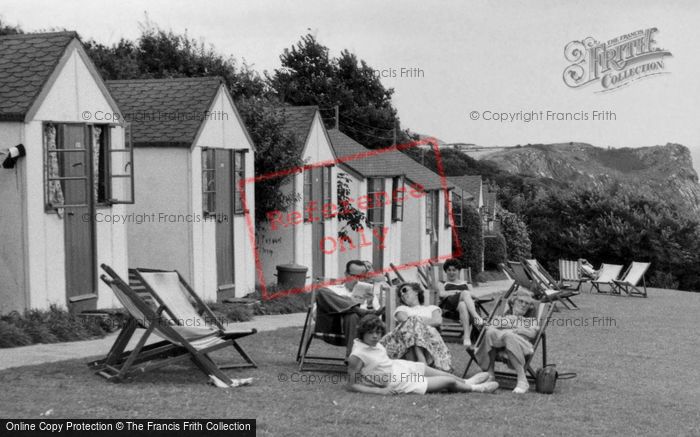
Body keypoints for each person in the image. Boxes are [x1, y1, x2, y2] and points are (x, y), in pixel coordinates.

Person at [347, 315, 499, 395]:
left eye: (378, 332)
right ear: (362, 333)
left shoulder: (374, 343)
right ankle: (476, 388)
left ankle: (467, 381)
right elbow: (352, 385)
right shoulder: (357, 355)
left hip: (400, 367)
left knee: (442, 373)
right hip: (398, 382)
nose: (375, 336)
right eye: (371, 333)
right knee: (448, 382)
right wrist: (380, 391)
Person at [316, 260, 387, 356]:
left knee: (352, 315)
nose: (357, 280)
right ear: (346, 274)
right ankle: (357, 309)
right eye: (354, 276)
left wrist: (369, 304)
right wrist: (343, 305)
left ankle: (351, 356)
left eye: (361, 277)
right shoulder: (334, 290)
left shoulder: (368, 292)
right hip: (334, 326)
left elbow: (375, 318)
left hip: (360, 328)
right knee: (321, 291)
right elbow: (315, 313)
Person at [474, 290, 539, 394]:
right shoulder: (502, 318)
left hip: (523, 347)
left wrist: (512, 327)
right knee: (490, 333)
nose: (523, 305)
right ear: (513, 302)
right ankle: (490, 375)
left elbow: (532, 333)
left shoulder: (530, 321)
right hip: (500, 346)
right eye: (520, 301)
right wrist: (509, 323)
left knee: (507, 335)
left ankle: (523, 380)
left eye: (527, 303)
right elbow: (488, 327)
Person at [380, 282, 453, 372]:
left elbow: (437, 321)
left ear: (416, 292)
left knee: (413, 323)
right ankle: (423, 363)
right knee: (411, 324)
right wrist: (425, 321)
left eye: (405, 290)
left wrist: (416, 321)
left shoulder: (432, 308)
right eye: (400, 294)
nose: (402, 294)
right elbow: (405, 320)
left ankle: (421, 365)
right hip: (405, 342)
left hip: (429, 340)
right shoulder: (401, 309)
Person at [438, 258, 484, 347]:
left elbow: (474, 295)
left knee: (462, 304)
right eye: (449, 270)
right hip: (450, 308)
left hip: (464, 310)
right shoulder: (442, 283)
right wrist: (459, 293)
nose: (451, 272)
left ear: (458, 271)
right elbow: (442, 294)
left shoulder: (467, 283)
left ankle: (466, 337)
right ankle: (476, 317)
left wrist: (460, 294)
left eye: (454, 270)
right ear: (446, 271)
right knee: (465, 293)